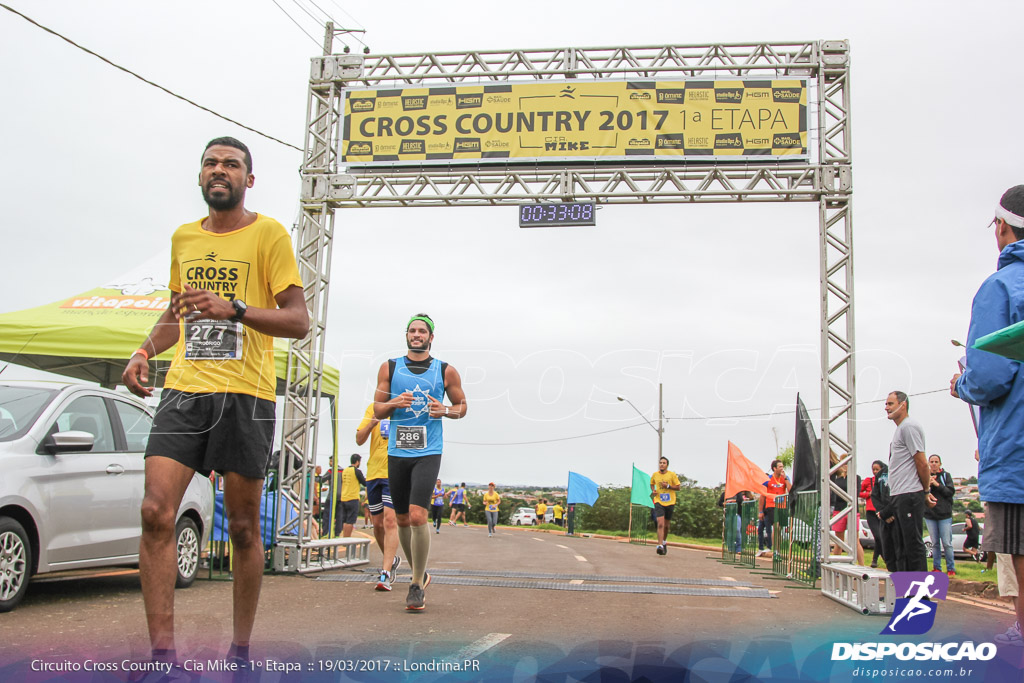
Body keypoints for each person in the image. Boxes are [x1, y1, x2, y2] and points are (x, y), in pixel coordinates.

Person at [121, 137, 309, 668]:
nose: (218, 170)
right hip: (185, 390)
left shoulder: (268, 234)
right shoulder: (184, 238)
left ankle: (240, 650)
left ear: (249, 180)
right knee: (155, 511)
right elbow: (176, 317)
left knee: (245, 528)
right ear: (200, 176)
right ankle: (162, 658)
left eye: (231, 164)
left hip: (245, 395)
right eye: (210, 163)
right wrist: (143, 350)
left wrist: (237, 309)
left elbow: (298, 320)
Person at [951, 185, 1024, 644]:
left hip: (1018, 450)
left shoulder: (1001, 287)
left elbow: (989, 376)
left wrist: (962, 384)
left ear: (1002, 226)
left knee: (1020, 554)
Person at [373, 313, 467, 611]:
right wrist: (392, 404)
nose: (416, 335)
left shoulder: (445, 371)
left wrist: (446, 410)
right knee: (401, 519)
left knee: (417, 516)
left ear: (431, 337)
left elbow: (462, 407)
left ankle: (415, 584)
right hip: (398, 452)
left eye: (422, 331)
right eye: (412, 330)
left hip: (428, 451)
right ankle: (421, 573)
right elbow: (377, 409)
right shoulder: (389, 367)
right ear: (407, 335)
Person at [356, 403, 401, 592]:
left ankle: (385, 572)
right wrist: (371, 423)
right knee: (378, 525)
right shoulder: (373, 408)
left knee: (390, 521)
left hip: (394, 471)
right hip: (373, 473)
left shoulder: (405, 408)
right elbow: (359, 439)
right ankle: (391, 561)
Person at [884, 391, 930, 572]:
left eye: (890, 404)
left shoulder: (909, 427)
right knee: (900, 547)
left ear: (903, 405)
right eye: (886, 404)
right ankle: (905, 593)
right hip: (899, 494)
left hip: (909, 494)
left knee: (913, 546)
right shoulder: (900, 429)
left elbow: (922, 462)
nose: (886, 407)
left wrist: (925, 491)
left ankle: (920, 596)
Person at [829, 453, 865, 565]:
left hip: (852, 510)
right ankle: (836, 566)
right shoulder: (837, 478)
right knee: (839, 540)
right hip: (839, 510)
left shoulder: (855, 477)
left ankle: (862, 566)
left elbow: (856, 492)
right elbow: (834, 492)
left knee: (855, 539)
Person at [923, 454, 956, 576]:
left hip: (944, 515)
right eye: (931, 461)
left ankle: (951, 568)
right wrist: (928, 484)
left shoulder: (946, 476)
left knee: (947, 543)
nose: (934, 464)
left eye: (936, 461)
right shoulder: (925, 476)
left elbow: (950, 492)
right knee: (935, 543)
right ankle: (936, 567)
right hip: (930, 514)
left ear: (940, 464)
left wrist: (937, 484)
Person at [758, 459, 790, 558]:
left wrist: (786, 479)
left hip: (782, 506)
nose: (782, 468)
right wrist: (760, 511)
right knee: (776, 526)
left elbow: (790, 490)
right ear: (774, 468)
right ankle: (776, 551)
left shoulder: (785, 478)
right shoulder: (768, 479)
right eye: (780, 466)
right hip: (771, 506)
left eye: (782, 466)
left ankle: (777, 550)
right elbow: (762, 496)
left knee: (779, 529)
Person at [650, 456, 681, 556]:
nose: (662, 464)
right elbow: (652, 483)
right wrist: (653, 490)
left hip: (670, 502)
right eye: (660, 463)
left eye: (664, 463)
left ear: (667, 465)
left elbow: (678, 487)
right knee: (660, 524)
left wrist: (668, 486)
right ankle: (659, 546)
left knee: (666, 526)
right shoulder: (655, 475)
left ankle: (664, 541)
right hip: (659, 501)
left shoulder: (672, 475)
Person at [870, 462, 897, 571]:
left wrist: (891, 512)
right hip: (884, 517)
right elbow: (874, 495)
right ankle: (891, 572)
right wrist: (881, 512)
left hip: (897, 515)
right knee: (887, 546)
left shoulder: (900, 471)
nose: (875, 471)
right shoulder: (881, 475)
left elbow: (899, 494)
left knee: (899, 549)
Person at [860, 461, 884, 568]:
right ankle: (879, 558)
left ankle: (877, 559)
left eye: (877, 469)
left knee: (882, 537)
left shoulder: (885, 481)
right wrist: (867, 494)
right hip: (871, 512)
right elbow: (858, 491)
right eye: (873, 469)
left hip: (882, 512)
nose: (875, 472)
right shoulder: (868, 481)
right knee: (878, 536)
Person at [338, 454, 366, 538]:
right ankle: (347, 538)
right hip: (352, 498)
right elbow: (364, 483)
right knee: (350, 521)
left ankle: (344, 538)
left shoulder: (344, 470)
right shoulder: (357, 471)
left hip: (344, 497)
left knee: (345, 520)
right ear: (357, 462)